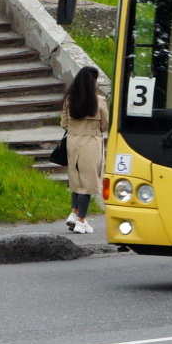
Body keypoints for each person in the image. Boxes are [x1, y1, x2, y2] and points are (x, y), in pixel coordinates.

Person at [61, 66, 109, 234]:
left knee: (76, 179)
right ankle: (82, 220)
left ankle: (74, 213)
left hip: (73, 141)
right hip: (91, 142)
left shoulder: (69, 100)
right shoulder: (99, 101)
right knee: (88, 182)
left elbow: (64, 124)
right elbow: (105, 125)